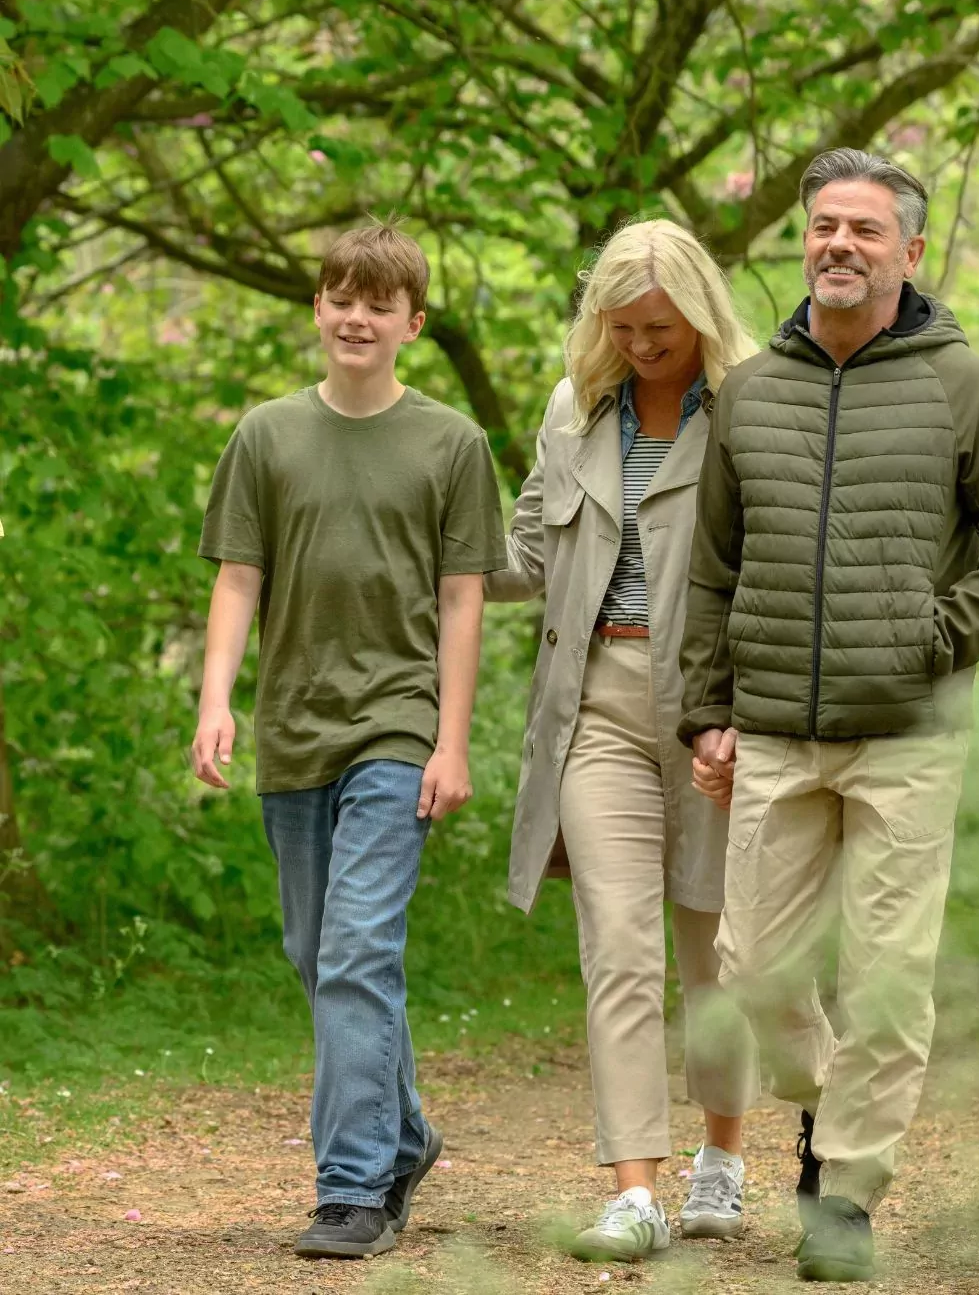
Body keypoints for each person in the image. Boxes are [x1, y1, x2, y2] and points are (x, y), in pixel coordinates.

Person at [679, 148, 979, 1283]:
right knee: (751, 973)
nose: (838, 245)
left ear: (909, 249)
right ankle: (830, 1108)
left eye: (862, 229)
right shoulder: (751, 389)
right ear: (803, 241)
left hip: (905, 735)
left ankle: (842, 1195)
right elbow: (710, 567)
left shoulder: (958, 382)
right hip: (776, 734)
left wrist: (936, 637)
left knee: (887, 980)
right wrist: (706, 713)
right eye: (822, 227)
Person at [191, 224, 506, 1260]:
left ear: (413, 323)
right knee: (317, 956)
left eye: (378, 303)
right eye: (339, 297)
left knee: (358, 950)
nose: (355, 317)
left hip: (396, 725)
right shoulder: (266, 436)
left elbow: (463, 603)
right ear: (318, 311)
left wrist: (449, 743)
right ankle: (403, 1134)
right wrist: (215, 701)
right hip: (292, 727)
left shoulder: (452, 444)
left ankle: (352, 1188)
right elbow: (238, 577)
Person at [486, 219, 760, 1263]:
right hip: (594, 700)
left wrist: (745, 710)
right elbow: (522, 553)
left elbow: (773, 573)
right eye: (625, 327)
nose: (645, 345)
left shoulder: (746, 408)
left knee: (715, 953)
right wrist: (414, 561)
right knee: (617, 948)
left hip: (711, 708)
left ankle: (721, 1161)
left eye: (664, 327)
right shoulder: (573, 408)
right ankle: (633, 1189)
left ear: (699, 314)